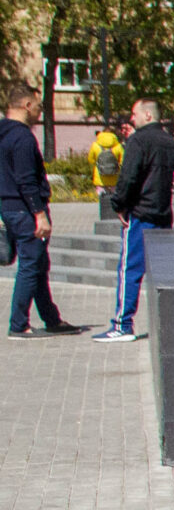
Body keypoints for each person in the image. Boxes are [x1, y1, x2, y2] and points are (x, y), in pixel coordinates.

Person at [1, 82, 81, 339]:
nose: (40, 111)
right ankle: (19, 324)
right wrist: (39, 214)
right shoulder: (23, 137)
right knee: (31, 263)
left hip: (9, 208)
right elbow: (26, 179)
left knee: (38, 263)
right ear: (26, 105)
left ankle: (51, 319)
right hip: (25, 210)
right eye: (38, 105)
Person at [98, 99, 174, 343]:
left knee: (129, 269)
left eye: (134, 114)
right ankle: (168, 324)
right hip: (163, 213)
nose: (131, 119)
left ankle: (123, 324)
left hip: (140, 213)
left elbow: (129, 176)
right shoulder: (169, 142)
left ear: (146, 115)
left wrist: (118, 205)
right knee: (162, 273)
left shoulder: (138, 140)